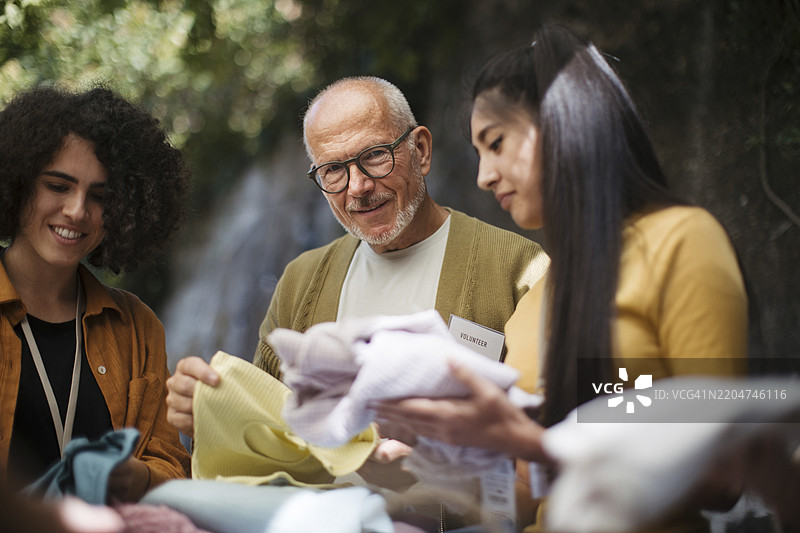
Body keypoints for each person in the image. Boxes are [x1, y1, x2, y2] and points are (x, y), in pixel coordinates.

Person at [375, 24, 749, 533]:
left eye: (497, 143)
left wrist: (540, 443)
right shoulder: (533, 301)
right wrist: (437, 458)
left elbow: (724, 474)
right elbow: (526, 497)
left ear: (564, 122)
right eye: (480, 153)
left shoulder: (680, 240)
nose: (483, 176)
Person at [165, 77, 547, 503]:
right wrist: (209, 414)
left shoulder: (520, 271)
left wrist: (435, 473)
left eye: (374, 156)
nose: (357, 187)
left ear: (419, 150)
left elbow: (565, 449)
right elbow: (264, 437)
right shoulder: (299, 282)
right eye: (333, 170)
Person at [0, 85, 192, 502]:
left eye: (100, 197)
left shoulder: (137, 326)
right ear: (17, 184)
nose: (77, 210)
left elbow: (172, 464)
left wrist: (138, 477)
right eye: (58, 185)